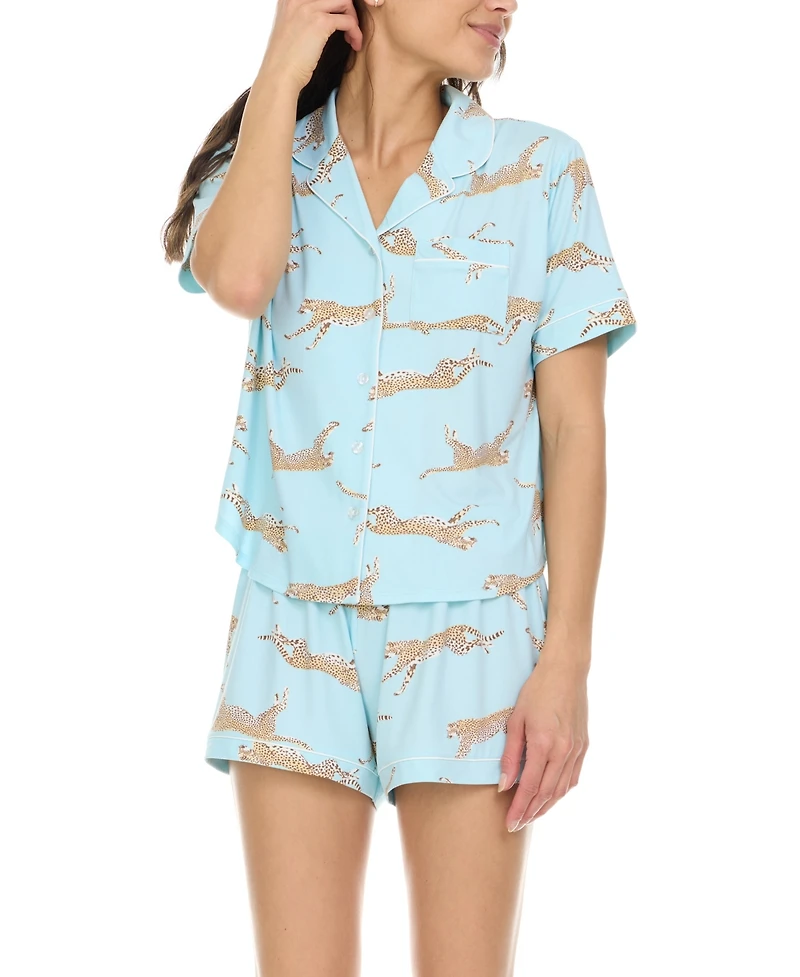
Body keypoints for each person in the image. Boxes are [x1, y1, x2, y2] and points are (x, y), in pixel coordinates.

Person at [161, 0, 637, 972]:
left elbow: (574, 429)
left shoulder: (542, 173)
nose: (505, 1)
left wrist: (566, 662)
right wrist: (282, 61)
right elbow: (242, 280)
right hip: (291, 625)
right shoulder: (264, 166)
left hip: (474, 625)